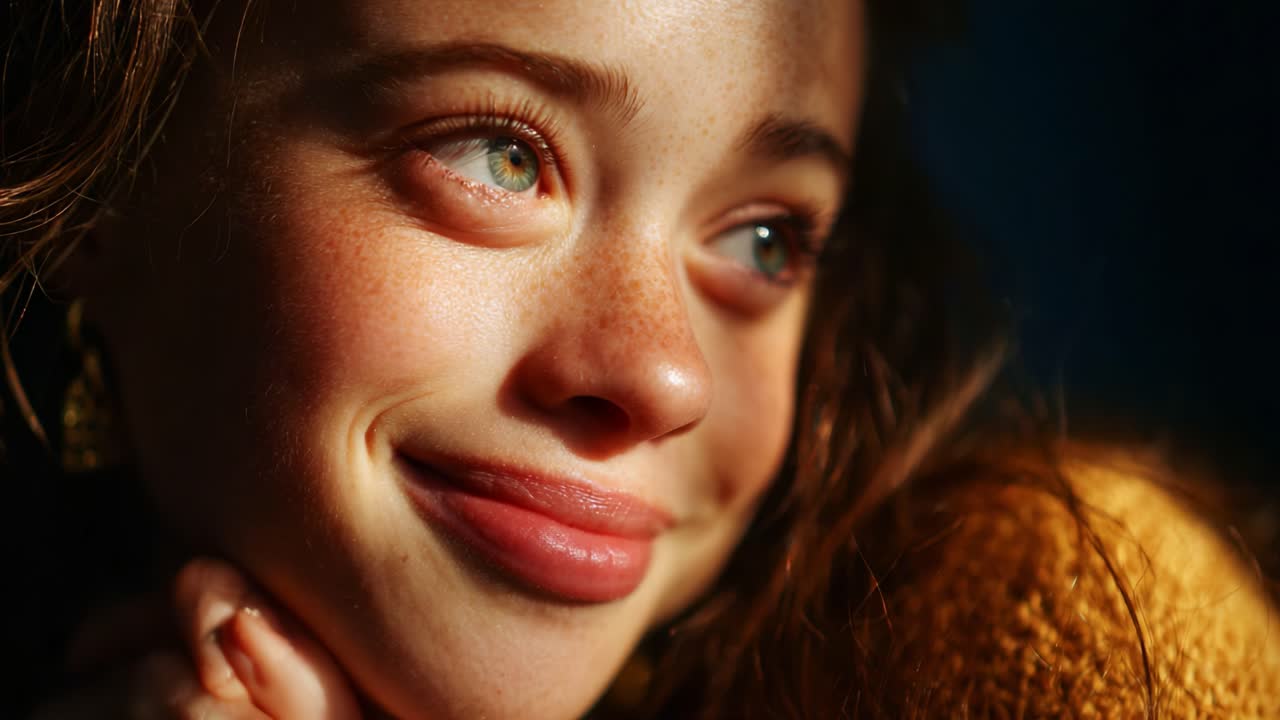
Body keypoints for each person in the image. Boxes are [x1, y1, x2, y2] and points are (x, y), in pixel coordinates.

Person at [2, 0, 1277, 718]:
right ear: (98, 169)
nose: (663, 378)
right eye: (500, 154)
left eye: (765, 236)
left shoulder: (1067, 634)